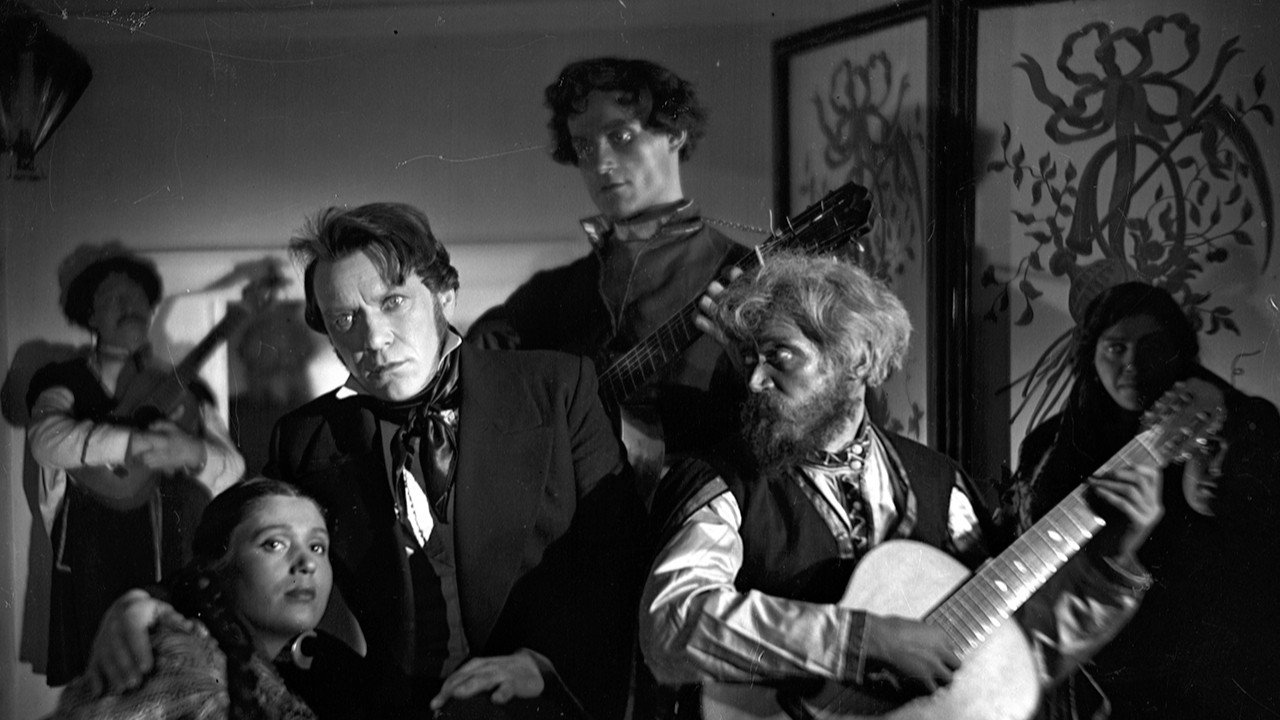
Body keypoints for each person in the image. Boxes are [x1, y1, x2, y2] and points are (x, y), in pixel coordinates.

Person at [86, 203, 645, 720]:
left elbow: (617, 560)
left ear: (444, 296)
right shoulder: (308, 437)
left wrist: (542, 663)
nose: (373, 338)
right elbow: (245, 552)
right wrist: (144, 602)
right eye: (344, 318)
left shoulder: (558, 387)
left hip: (544, 700)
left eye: (392, 302)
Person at [640, 253, 1163, 718]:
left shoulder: (940, 482)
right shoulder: (721, 481)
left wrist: (1110, 565)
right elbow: (671, 622)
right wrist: (864, 640)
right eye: (751, 359)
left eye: (780, 356)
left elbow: (1010, 653)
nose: (755, 381)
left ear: (860, 361)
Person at [467, 57, 751, 495]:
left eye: (621, 137)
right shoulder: (547, 296)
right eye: (583, 146)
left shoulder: (746, 275)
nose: (600, 164)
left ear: (674, 132)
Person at [1002, 281, 1280, 720]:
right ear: (1091, 354)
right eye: (1116, 348)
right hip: (1077, 669)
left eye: (1151, 348)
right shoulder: (1047, 445)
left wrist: (1224, 405)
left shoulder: (1217, 423)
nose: (1132, 364)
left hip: (1188, 673)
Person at [26, 242, 245, 685]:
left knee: (172, 681)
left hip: (166, 556)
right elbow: (46, 442)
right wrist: (133, 442)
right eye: (114, 298)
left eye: (140, 298)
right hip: (89, 561)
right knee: (99, 689)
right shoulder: (63, 381)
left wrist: (191, 452)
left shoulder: (183, 387)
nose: (131, 307)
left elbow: (233, 467)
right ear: (90, 315)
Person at [54, 477, 369, 720]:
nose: (307, 563)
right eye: (274, 544)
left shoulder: (322, 664)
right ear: (217, 567)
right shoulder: (182, 661)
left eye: (317, 547)